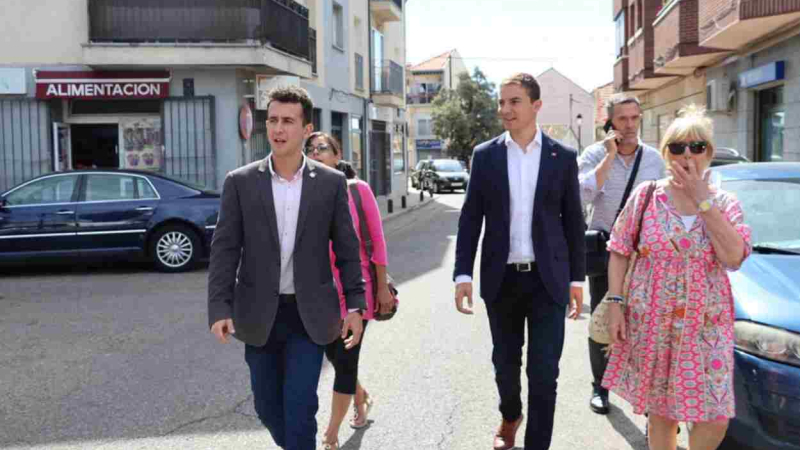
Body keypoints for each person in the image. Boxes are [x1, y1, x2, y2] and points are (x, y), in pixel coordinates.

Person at [207, 86, 366, 450]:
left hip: (309, 316)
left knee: (300, 407)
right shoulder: (241, 182)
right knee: (266, 406)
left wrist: (355, 305)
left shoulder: (331, 183)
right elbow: (225, 250)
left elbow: (347, 249)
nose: (278, 129)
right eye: (273, 120)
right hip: (258, 314)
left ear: (306, 129)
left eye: (288, 121)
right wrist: (219, 308)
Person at [603, 105, 751, 450]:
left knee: (715, 417)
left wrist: (703, 201)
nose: (688, 154)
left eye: (697, 147)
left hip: (707, 324)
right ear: (666, 153)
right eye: (678, 147)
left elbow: (732, 257)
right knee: (662, 413)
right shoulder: (647, 196)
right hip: (653, 320)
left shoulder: (725, 203)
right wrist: (615, 304)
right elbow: (620, 248)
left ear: (709, 153)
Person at [453, 73, 586, 450]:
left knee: (545, 374)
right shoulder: (486, 155)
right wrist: (462, 272)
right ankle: (511, 415)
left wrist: (577, 280)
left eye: (514, 101)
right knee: (505, 366)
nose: (505, 109)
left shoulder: (563, 157)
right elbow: (470, 217)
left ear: (536, 106)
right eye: (502, 102)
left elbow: (574, 222)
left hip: (548, 281)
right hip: (502, 279)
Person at [305, 132, 395, 450]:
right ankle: (361, 397)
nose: (315, 153)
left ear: (336, 154)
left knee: (344, 360)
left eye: (322, 149)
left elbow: (377, 241)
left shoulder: (357, 191)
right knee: (334, 354)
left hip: (357, 291)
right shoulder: (303, 194)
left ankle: (331, 433)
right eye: (310, 149)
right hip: (318, 294)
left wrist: (382, 288)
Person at [577, 94, 665, 415]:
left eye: (634, 118)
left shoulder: (655, 159)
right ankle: (600, 388)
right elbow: (579, 194)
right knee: (603, 323)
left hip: (646, 258)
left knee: (647, 327)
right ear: (610, 122)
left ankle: (653, 400)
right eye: (622, 119)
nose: (629, 125)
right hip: (605, 253)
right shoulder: (594, 155)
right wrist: (609, 158)